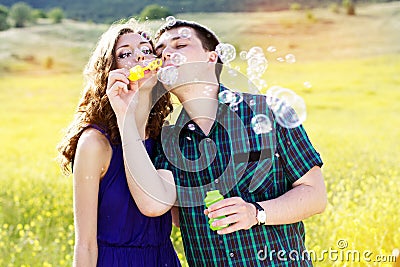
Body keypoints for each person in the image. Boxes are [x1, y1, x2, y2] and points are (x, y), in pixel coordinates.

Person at [148, 20, 327, 266]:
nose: (167, 53)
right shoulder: (167, 140)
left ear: (211, 58)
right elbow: (175, 215)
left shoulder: (270, 111)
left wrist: (256, 213)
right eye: (159, 52)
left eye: (180, 44)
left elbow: (315, 195)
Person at [57, 19, 181, 267]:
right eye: (125, 54)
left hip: (163, 260)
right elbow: (85, 245)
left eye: (147, 51)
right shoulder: (95, 144)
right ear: (109, 71)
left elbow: (178, 217)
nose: (140, 58)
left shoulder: (165, 139)